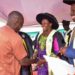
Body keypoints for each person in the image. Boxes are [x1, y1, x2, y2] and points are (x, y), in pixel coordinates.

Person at [0, 11, 35, 75]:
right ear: (17, 23)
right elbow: (23, 62)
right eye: (21, 25)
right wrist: (36, 60)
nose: (20, 27)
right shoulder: (15, 37)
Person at [60, 0, 75, 65]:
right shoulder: (74, 30)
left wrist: (67, 51)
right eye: (71, 11)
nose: (71, 13)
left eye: (74, 11)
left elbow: (71, 52)